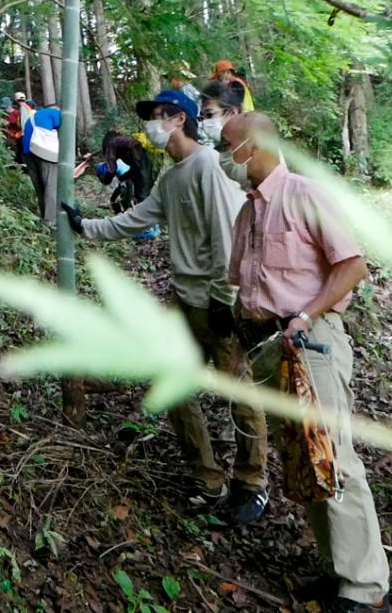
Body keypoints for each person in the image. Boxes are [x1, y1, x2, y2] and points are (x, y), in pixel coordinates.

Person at [62, 90, 270, 525]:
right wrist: (88, 226)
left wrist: (224, 298)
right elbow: (139, 218)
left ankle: (252, 483)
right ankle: (207, 478)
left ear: (179, 119)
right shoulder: (172, 175)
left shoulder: (210, 166)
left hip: (218, 301)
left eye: (158, 116)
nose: (152, 125)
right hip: (185, 298)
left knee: (239, 390)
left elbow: (226, 233)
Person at [222, 112, 390, 612]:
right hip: (269, 347)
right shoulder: (248, 211)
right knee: (304, 459)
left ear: (253, 146)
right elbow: (246, 284)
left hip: (309, 344)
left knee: (333, 455)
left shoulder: (305, 195)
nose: (223, 156)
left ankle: (364, 586)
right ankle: (336, 568)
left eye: (228, 145)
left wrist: (306, 314)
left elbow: (351, 265)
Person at [22, 101, 61, 227]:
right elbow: (66, 133)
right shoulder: (55, 113)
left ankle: (44, 214)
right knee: (51, 186)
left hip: (28, 153)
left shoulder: (33, 117)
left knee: (40, 187)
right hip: (45, 153)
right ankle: (50, 221)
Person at [96, 129, 153, 213]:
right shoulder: (127, 144)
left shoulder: (111, 144)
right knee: (145, 198)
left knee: (141, 200)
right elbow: (135, 170)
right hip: (147, 166)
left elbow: (111, 170)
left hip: (142, 168)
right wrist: (122, 178)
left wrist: (106, 180)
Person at [4, 92, 32, 165]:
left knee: (22, 156)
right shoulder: (26, 107)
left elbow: (23, 123)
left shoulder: (22, 108)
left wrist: (10, 123)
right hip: (21, 135)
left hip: (22, 135)